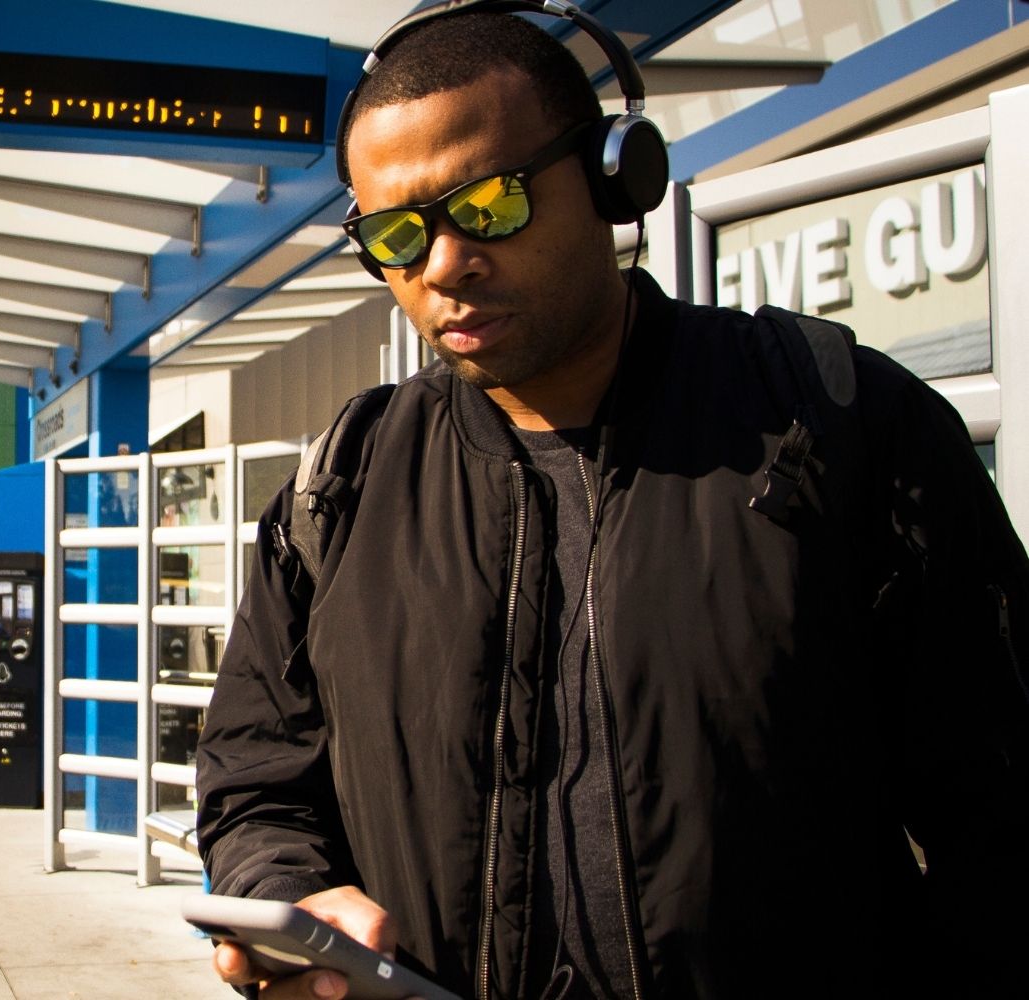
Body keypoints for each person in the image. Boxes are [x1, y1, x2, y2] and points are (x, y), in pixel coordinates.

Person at [194, 7, 1029, 1000]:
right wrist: (288, 886)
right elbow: (254, 770)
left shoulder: (839, 426)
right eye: (398, 235)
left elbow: (1006, 814)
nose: (445, 264)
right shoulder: (345, 483)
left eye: (491, 204)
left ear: (613, 175)